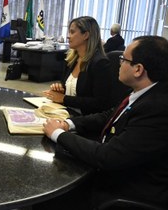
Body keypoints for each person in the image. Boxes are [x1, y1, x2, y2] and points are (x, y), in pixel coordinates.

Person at [43, 36, 168, 209]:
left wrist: (58, 134)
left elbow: (107, 156)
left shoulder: (157, 108)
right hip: (116, 173)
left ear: (138, 69)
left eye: (123, 59)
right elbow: (109, 115)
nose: (119, 63)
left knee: (49, 192)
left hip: (125, 192)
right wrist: (69, 124)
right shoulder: (145, 92)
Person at [43, 16, 114, 115]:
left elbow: (101, 103)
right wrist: (60, 89)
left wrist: (64, 98)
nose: (68, 36)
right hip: (65, 112)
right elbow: (70, 90)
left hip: (84, 120)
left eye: (72, 32)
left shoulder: (100, 63)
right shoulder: (71, 60)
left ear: (85, 35)